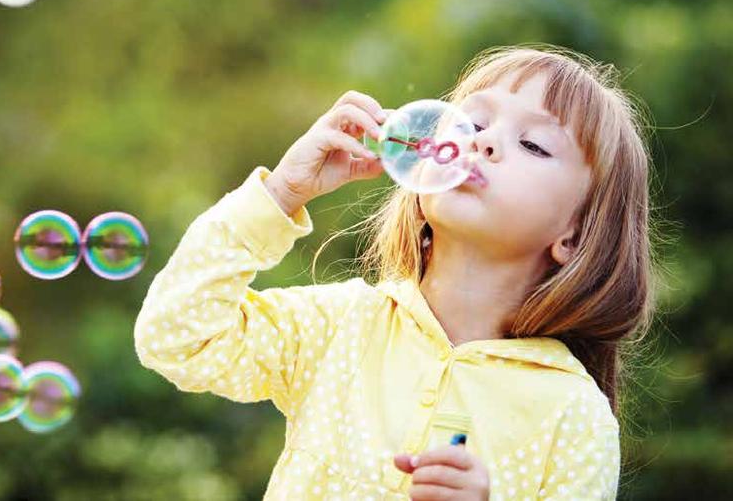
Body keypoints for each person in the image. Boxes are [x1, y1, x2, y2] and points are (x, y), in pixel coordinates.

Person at [134, 46, 656, 500]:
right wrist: (282, 194)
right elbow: (177, 337)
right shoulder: (341, 326)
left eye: (534, 145)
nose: (485, 142)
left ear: (574, 235)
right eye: (472, 123)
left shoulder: (572, 415)